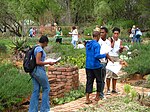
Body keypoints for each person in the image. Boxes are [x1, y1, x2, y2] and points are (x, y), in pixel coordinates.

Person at [29, 35, 56, 112]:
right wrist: (48, 62)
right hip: (38, 71)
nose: (46, 45)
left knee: (36, 89)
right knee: (46, 88)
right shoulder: (39, 50)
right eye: (46, 43)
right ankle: (45, 109)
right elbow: (38, 62)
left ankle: (32, 110)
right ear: (44, 42)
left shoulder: (35, 47)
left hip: (33, 71)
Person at [85, 31, 112, 104]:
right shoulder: (97, 45)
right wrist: (104, 55)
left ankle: (87, 98)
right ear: (98, 36)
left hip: (88, 65)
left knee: (89, 82)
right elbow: (96, 55)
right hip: (96, 66)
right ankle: (97, 97)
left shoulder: (88, 44)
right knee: (99, 81)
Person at [106, 27, 124, 95]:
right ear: (113, 33)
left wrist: (121, 48)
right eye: (115, 33)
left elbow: (120, 51)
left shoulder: (120, 41)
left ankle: (114, 88)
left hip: (116, 57)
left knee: (115, 74)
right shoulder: (110, 39)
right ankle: (108, 89)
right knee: (109, 74)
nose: (116, 35)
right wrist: (113, 40)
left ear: (119, 34)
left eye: (117, 33)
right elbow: (110, 47)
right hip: (110, 56)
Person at [98, 26, 112, 99]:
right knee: (99, 79)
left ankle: (101, 93)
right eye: (100, 32)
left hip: (104, 62)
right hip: (98, 62)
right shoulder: (98, 41)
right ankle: (99, 93)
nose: (101, 34)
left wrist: (110, 60)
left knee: (102, 78)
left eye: (103, 32)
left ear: (106, 33)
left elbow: (107, 53)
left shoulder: (108, 42)